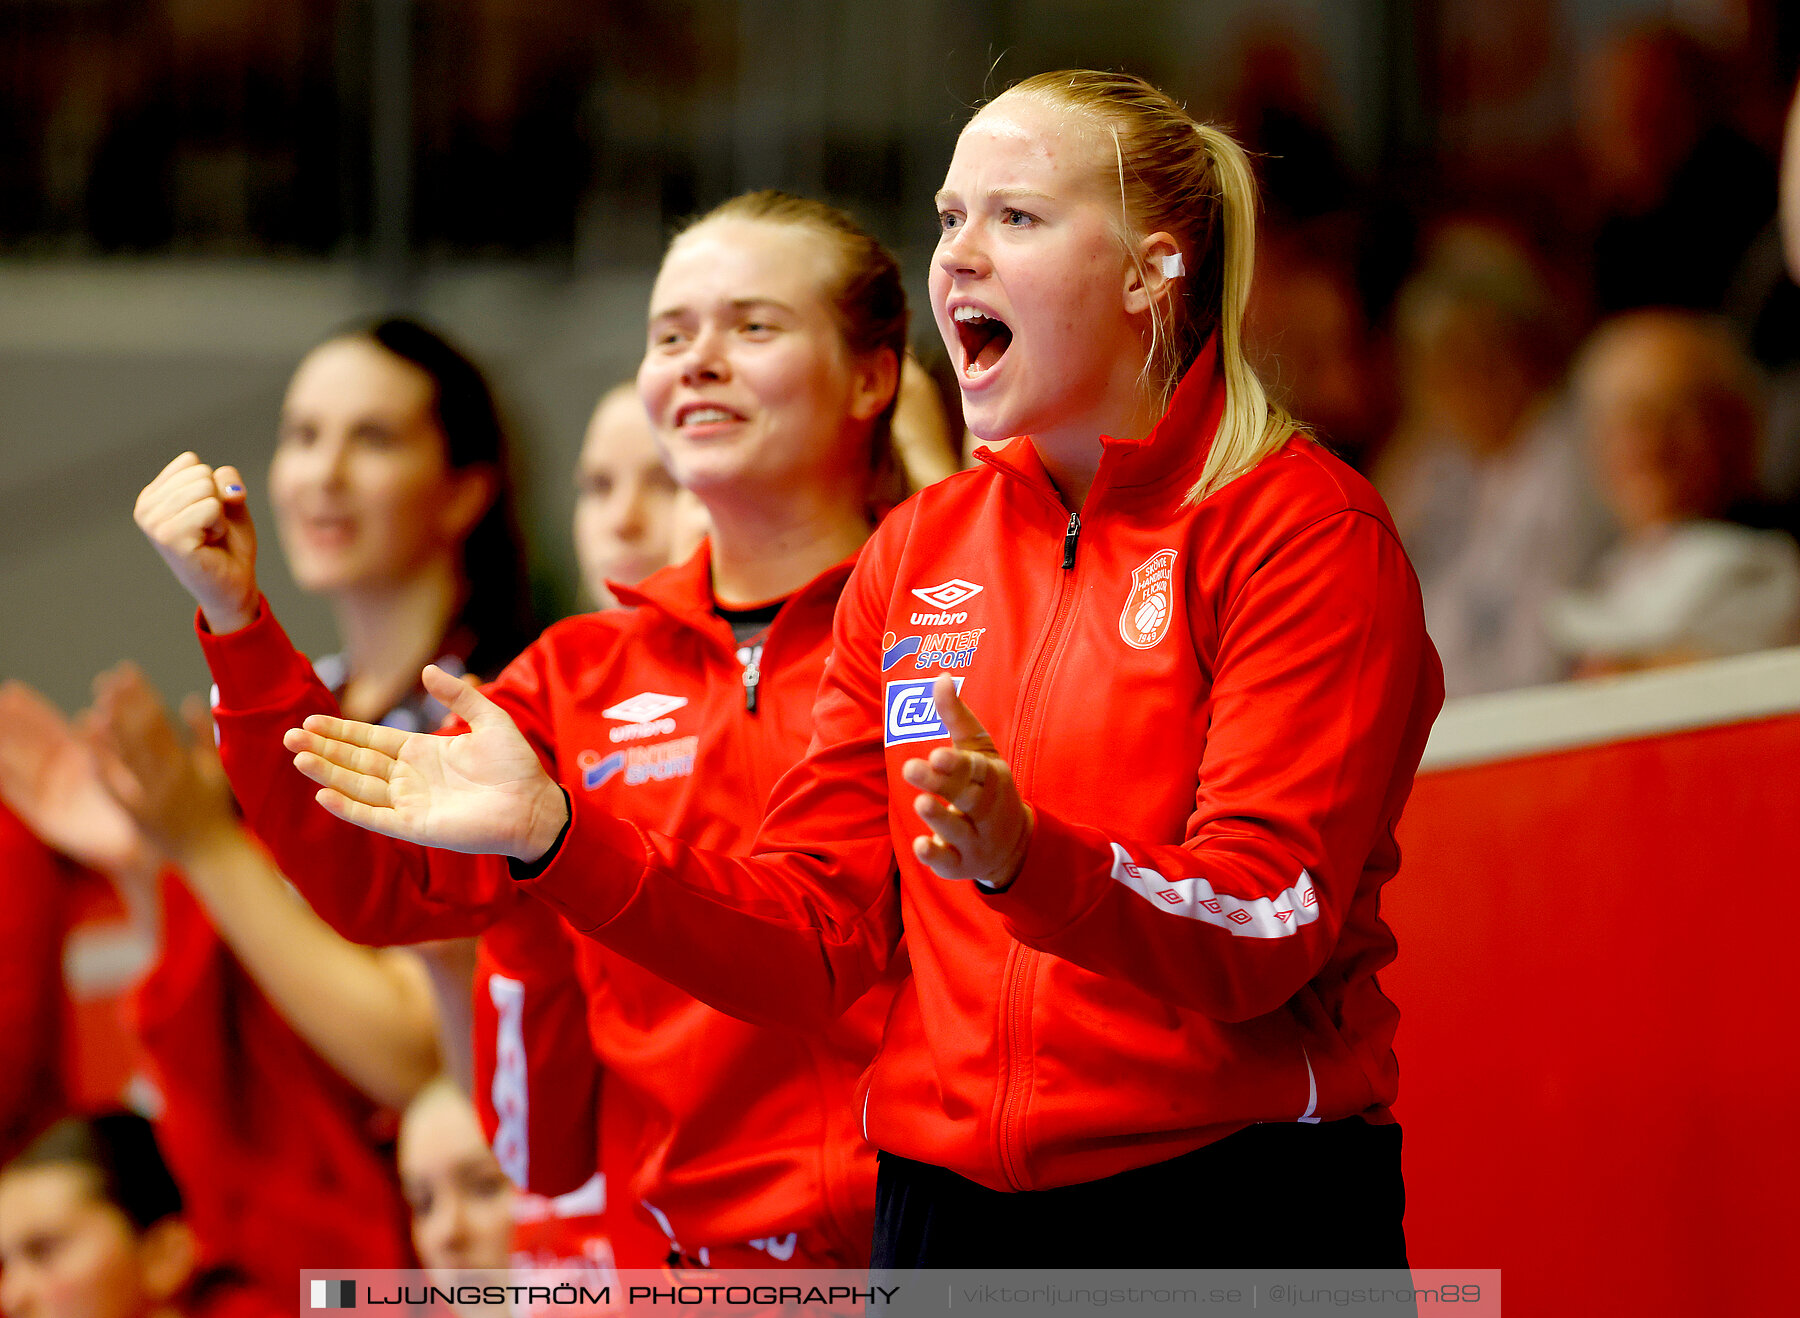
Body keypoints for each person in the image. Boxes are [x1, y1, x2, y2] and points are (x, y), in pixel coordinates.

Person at [178, 72, 1442, 1268]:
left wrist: (1027, 856)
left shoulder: (1299, 528)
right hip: (942, 1216)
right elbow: (816, 934)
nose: (962, 253)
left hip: (1228, 1197)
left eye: (1015, 215)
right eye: (950, 218)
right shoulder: (924, 555)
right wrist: (558, 835)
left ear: (1154, 266)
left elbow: (1270, 917)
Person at [136, 190, 911, 1268]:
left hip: (940, 1253)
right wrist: (236, 620)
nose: (697, 360)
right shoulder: (578, 674)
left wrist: (564, 841)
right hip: (686, 1276)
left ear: (872, 376)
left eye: (754, 326)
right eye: (670, 333)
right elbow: (375, 882)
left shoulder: (956, 618)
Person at [1547, 310, 1800, 671]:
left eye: (1675, 415)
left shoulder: (1763, 572)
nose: (1646, 444)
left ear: (1739, 428)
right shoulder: (1607, 575)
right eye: (1623, 421)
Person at [0, 1113, 279, 1318]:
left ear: (165, 1254)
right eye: (4, 1266)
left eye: (44, 1252)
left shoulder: (294, 1298)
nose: (11, 1298)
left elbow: (320, 1291)